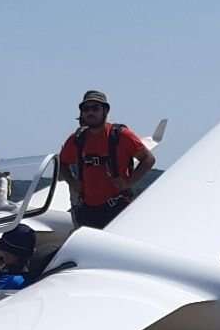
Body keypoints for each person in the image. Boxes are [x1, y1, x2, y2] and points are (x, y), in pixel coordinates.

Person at [58, 90, 156, 229]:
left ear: (105, 111)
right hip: (87, 211)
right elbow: (62, 163)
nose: (90, 112)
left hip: (117, 209)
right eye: (86, 109)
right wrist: (73, 182)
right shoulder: (77, 139)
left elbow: (148, 159)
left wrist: (129, 183)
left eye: (95, 108)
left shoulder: (121, 135)